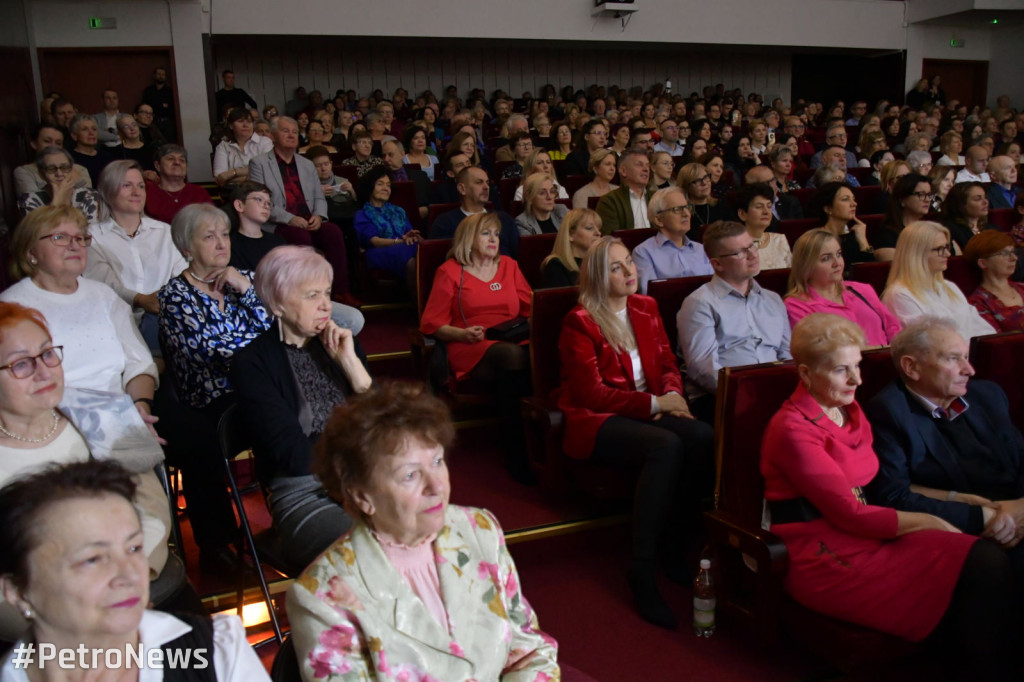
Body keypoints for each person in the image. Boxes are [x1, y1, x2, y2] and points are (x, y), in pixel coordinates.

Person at [761, 314, 1017, 679]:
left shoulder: (849, 408)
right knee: (981, 560)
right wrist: (934, 522)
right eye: (840, 370)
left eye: (858, 365)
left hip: (869, 528)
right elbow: (850, 513)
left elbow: (876, 485)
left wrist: (958, 501)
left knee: (983, 561)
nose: (856, 380)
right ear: (804, 374)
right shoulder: (792, 429)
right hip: (824, 550)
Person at [286, 381, 558, 679]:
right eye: (411, 474)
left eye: (437, 461)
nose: (437, 485)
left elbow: (531, 650)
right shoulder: (322, 595)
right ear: (363, 496)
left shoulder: (479, 529)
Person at [555, 237, 714, 628]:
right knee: (666, 446)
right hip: (599, 416)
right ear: (596, 275)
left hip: (649, 405)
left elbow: (665, 360)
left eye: (629, 262)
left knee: (704, 438)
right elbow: (590, 392)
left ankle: (676, 547)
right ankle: (641, 568)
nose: (630, 272)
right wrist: (657, 405)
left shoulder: (646, 307)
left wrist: (673, 392)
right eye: (616, 267)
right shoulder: (581, 320)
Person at [0, 460, 268, 682]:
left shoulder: (214, 651)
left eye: (134, 548)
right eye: (93, 559)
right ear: (17, 591)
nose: (129, 575)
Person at [0, 303, 171, 641]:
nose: (44, 371)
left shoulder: (105, 412)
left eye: (49, 353)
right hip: (30, 615)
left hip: (134, 586)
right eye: (21, 364)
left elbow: (152, 512)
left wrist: (123, 582)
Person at [230, 246, 372, 570]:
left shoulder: (343, 344)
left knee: (433, 537)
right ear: (277, 303)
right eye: (311, 295)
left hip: (366, 477)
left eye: (327, 293)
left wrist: (350, 364)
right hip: (303, 491)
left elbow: (385, 425)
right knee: (371, 552)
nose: (326, 306)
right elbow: (291, 454)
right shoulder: (252, 362)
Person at [866, 318, 1024, 584]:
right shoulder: (889, 413)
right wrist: (984, 518)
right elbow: (892, 497)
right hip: (962, 524)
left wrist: (1020, 508)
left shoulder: (988, 395)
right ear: (911, 367)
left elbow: (1020, 459)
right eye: (953, 359)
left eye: (966, 357)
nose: (969, 370)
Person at [419, 213, 533, 482]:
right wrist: (461, 333)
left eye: (496, 233)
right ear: (468, 239)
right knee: (513, 355)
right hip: (469, 344)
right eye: (486, 233)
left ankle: (529, 440)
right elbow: (431, 324)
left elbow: (531, 307)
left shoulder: (509, 265)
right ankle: (516, 452)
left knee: (531, 354)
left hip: (512, 336)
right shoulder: (448, 271)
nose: (494, 239)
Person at [678, 221, 792, 424]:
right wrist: (750, 393)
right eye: (740, 252)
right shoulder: (699, 303)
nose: (752, 255)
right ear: (717, 264)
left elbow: (787, 354)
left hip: (774, 391)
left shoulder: (772, 299)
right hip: (722, 395)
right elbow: (702, 369)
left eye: (752, 246)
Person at [249, 116, 357, 306]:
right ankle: (309, 295)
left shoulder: (306, 164)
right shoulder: (259, 163)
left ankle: (340, 291)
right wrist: (290, 219)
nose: (291, 135)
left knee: (334, 232)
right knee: (302, 238)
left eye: (294, 131)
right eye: (285, 131)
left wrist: (319, 215)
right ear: (273, 136)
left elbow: (318, 196)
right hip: (279, 222)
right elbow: (260, 201)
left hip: (309, 219)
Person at [85, 160, 187, 352]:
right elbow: (104, 285)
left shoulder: (164, 232)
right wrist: (141, 300)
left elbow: (182, 276)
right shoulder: (93, 236)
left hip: (165, 320)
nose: (136, 192)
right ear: (108, 191)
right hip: (117, 321)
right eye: (127, 185)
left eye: (141, 186)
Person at [785, 229, 901, 346]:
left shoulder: (862, 289)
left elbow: (892, 327)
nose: (837, 263)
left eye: (839, 254)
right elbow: (816, 350)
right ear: (806, 266)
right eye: (826, 258)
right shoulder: (797, 305)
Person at [882, 221, 995, 340]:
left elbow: (982, 330)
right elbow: (926, 343)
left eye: (947, 247)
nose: (947, 254)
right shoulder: (900, 295)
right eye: (940, 249)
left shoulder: (949, 287)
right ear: (918, 253)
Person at [632, 187, 712, 294]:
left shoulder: (702, 249)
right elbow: (650, 294)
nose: (686, 214)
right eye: (677, 209)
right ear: (659, 220)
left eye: (687, 207)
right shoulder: (643, 252)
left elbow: (716, 288)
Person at [430, 167, 519, 257]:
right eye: (479, 182)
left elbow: (518, 256)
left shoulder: (504, 219)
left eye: (487, 183)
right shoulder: (445, 222)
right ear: (462, 189)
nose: (486, 187)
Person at [354, 166, 421, 284]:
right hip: (379, 251)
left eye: (388, 185)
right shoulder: (362, 214)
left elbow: (410, 234)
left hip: (404, 246)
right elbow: (375, 241)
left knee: (424, 252)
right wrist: (399, 241)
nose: (386, 188)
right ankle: (420, 302)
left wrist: (412, 236)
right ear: (370, 187)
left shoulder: (399, 211)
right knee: (412, 261)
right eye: (380, 184)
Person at [16, 147, 100, 223]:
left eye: (64, 168)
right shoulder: (29, 199)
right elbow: (37, 233)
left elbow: (90, 231)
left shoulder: (89, 195)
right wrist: (57, 199)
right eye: (51, 169)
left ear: (71, 169)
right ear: (41, 173)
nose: (59, 174)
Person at [965, 231, 1024, 331]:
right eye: (1005, 253)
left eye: (1013, 252)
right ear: (983, 263)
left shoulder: (1022, 287)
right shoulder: (978, 303)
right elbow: (996, 343)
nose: (1014, 258)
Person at [144, 144, 213, 224]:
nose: (177, 162)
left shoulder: (199, 193)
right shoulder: (148, 191)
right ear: (158, 165)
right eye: (170, 159)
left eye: (182, 160)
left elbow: (211, 222)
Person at [13, 124, 91, 195]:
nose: (53, 146)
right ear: (34, 144)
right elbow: (33, 206)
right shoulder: (25, 171)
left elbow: (88, 200)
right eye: (47, 141)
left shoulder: (79, 169)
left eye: (58, 143)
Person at [871, 173, 933, 262]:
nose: (927, 200)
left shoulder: (931, 229)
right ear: (902, 199)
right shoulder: (887, 234)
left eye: (929, 195)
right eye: (921, 194)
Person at [811, 181, 874, 268]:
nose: (854, 204)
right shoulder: (816, 239)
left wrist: (863, 242)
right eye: (845, 199)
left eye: (853, 199)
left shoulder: (856, 235)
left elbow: (869, 271)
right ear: (828, 208)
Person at [540, 208, 602, 288]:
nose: (598, 233)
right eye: (589, 228)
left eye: (599, 229)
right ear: (570, 235)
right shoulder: (556, 266)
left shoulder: (600, 262)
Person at [735, 182, 792, 269]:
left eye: (769, 206)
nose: (766, 212)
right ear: (742, 214)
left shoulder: (779, 240)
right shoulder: (732, 246)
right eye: (759, 207)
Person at [596, 148, 654, 233]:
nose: (646, 169)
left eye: (647, 165)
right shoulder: (609, 201)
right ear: (623, 171)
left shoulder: (657, 198)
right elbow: (611, 239)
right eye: (639, 164)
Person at [213, 107, 274, 187]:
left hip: (260, 190)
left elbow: (268, 170)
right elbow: (220, 178)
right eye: (240, 121)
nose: (245, 125)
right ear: (231, 125)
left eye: (249, 122)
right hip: (232, 192)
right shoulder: (223, 146)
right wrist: (253, 176)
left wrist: (233, 172)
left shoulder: (264, 142)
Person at [676, 162, 726, 235]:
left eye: (706, 177)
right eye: (697, 180)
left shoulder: (720, 205)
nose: (704, 183)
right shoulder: (683, 213)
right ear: (686, 187)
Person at [942, 181, 993, 251]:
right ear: (961, 204)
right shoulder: (950, 231)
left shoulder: (991, 228)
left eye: (985, 197)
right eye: (977, 198)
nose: (985, 202)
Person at [67, 114, 113, 186]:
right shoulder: (69, 159)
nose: (91, 133)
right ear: (74, 136)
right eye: (85, 129)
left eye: (94, 129)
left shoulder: (107, 157)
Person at [141, 66, 176, 142]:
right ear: (154, 76)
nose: (160, 76)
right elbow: (145, 106)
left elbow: (171, 108)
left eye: (163, 74)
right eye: (158, 74)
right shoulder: (149, 91)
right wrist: (162, 105)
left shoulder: (169, 92)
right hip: (152, 122)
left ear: (166, 77)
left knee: (168, 144)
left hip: (167, 123)